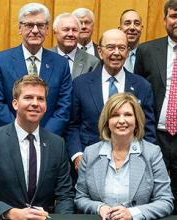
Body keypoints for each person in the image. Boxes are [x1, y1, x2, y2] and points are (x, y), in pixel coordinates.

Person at [0, 74, 74, 219]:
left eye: (40, 99)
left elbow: (65, 196)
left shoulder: (57, 144)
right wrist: (10, 213)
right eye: (28, 97)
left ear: (46, 106)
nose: (35, 103)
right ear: (15, 103)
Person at [66, 29, 156, 177]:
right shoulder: (81, 84)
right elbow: (72, 125)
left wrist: (142, 161)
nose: (116, 52)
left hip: (129, 165)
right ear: (100, 51)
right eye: (111, 47)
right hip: (88, 163)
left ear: (127, 52)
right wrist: (77, 155)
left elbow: (148, 130)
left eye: (121, 48)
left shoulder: (142, 86)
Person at [75, 93, 173, 220]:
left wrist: (132, 213)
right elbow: (80, 198)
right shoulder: (90, 153)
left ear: (136, 120)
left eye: (128, 115)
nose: (122, 120)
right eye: (115, 115)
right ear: (107, 121)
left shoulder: (152, 153)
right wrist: (99, 208)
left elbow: (166, 201)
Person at [0, 3, 72, 136]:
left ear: (47, 29)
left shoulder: (61, 64)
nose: (35, 30)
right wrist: (18, 133)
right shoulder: (0, 61)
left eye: (40, 25)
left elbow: (64, 106)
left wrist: (43, 136)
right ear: (20, 28)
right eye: (29, 25)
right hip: (10, 138)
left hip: (49, 140)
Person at [134, 0, 177, 213]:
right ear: (165, 19)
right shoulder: (146, 51)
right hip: (154, 136)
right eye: (174, 16)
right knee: (149, 192)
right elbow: (137, 94)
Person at [51, 13, 100, 79]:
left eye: (74, 30)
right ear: (55, 32)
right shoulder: (44, 56)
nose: (71, 34)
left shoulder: (92, 62)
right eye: (66, 29)